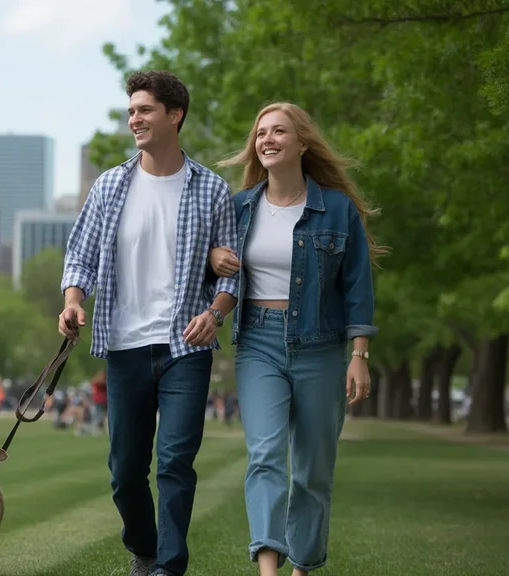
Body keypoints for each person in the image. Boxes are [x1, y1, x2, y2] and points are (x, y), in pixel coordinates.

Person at [59, 70, 241, 576]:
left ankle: (170, 566)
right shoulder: (111, 185)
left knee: (175, 464)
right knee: (124, 473)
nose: (134, 119)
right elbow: (80, 257)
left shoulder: (212, 190)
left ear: (174, 115)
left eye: (144, 110)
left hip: (186, 345)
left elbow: (233, 277)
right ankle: (144, 548)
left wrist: (215, 314)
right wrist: (74, 301)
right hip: (125, 347)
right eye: (131, 111)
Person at [208, 101, 385, 576]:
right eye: (261, 132)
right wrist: (213, 261)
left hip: (322, 347)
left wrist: (359, 354)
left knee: (312, 471)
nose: (267, 139)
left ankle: (303, 565)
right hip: (259, 343)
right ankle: (268, 570)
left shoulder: (337, 209)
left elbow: (357, 287)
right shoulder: (239, 207)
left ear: (302, 143)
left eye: (279, 131)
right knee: (265, 456)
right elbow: (210, 272)